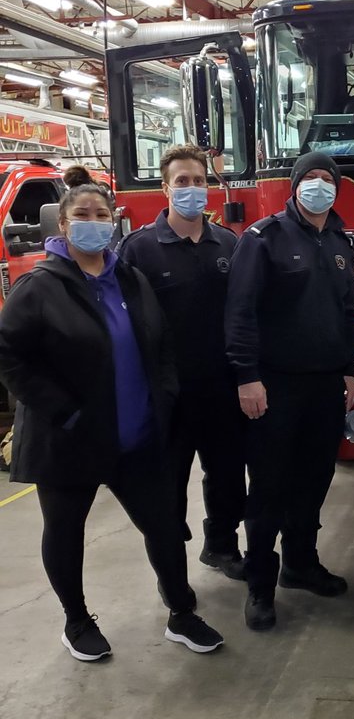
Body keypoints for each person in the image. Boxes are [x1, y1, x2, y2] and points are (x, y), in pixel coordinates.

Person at [0, 167, 223, 661]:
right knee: (65, 531)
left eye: (102, 214)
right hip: (71, 438)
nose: (93, 223)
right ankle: (76, 621)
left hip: (136, 435)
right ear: (62, 225)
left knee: (163, 526)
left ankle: (182, 612)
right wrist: (65, 412)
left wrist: (161, 398)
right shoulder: (39, 285)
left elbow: (160, 344)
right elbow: (10, 356)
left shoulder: (130, 278)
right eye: (82, 215)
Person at [226, 151, 354, 631]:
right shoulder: (263, 239)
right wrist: (246, 376)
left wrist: (348, 370)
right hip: (273, 385)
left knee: (315, 479)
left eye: (327, 179)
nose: (319, 186)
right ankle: (261, 583)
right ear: (295, 186)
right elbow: (240, 312)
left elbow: (347, 312)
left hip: (326, 384)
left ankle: (301, 564)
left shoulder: (341, 242)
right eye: (311, 179)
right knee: (269, 488)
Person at [119, 144, 246, 580]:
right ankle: (171, 565)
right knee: (167, 483)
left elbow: (242, 314)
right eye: (183, 182)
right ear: (165, 188)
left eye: (200, 181)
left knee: (228, 476)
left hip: (221, 388)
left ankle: (223, 546)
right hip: (166, 394)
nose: (193, 189)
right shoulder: (137, 250)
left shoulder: (228, 243)